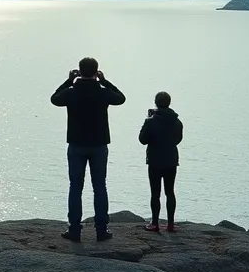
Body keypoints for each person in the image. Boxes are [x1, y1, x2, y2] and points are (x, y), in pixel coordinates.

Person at [50, 57, 126, 242]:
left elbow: (54, 99)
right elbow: (121, 98)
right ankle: (101, 230)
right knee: (100, 187)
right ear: (96, 72)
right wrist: (105, 81)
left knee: (75, 187)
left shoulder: (71, 92)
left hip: (76, 144)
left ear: (79, 71)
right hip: (99, 145)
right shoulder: (102, 92)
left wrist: (69, 80)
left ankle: (75, 230)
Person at [139, 91, 184, 233]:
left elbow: (142, 139)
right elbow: (178, 140)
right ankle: (170, 223)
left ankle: (155, 222)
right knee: (170, 191)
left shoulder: (151, 121)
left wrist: (148, 118)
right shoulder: (177, 122)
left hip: (154, 160)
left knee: (155, 192)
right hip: (171, 159)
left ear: (156, 103)